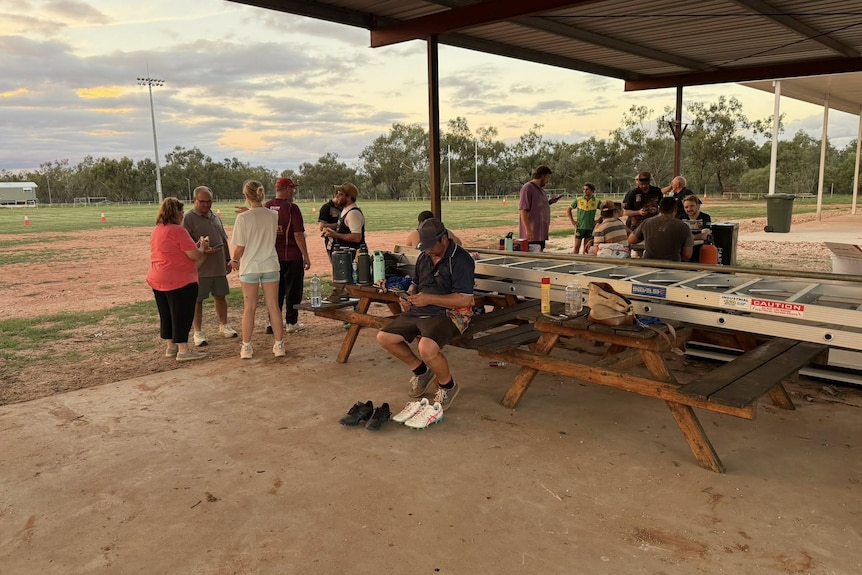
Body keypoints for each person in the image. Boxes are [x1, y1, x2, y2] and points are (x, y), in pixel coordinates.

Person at [376, 218, 475, 428]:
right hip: (423, 309)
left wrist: (429, 299)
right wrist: (408, 297)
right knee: (385, 337)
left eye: (431, 247)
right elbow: (416, 285)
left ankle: (447, 386)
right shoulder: (424, 257)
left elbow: (465, 299)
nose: (428, 252)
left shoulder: (461, 260)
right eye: (425, 248)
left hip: (452, 313)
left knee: (426, 347)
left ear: (444, 239)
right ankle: (421, 371)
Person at [146, 197, 209, 362]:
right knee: (182, 314)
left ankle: (171, 347)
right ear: (177, 213)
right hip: (179, 280)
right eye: (181, 211)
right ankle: (183, 350)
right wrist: (202, 247)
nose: (183, 215)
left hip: (158, 277)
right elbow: (194, 255)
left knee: (166, 314)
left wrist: (194, 246)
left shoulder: (157, 229)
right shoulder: (178, 231)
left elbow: (178, 250)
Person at [230, 180, 285, 359]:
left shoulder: (243, 218)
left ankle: (246, 346)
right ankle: (279, 344)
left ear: (246, 196)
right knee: (273, 306)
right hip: (270, 264)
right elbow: (262, 218)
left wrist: (234, 260)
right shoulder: (272, 215)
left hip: (251, 267)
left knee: (250, 307)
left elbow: (240, 247)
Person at [182, 186, 238, 347]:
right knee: (197, 300)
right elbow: (186, 245)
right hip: (200, 267)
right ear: (195, 200)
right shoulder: (188, 218)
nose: (207, 205)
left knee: (220, 296)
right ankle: (198, 332)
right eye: (203, 202)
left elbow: (223, 239)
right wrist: (202, 249)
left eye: (209, 201)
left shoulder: (214, 216)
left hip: (218, 265)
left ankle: (223, 325)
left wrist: (227, 259)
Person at [265, 177, 311, 334]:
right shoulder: (292, 208)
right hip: (292, 256)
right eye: (292, 189)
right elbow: (298, 234)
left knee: (275, 291)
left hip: (272, 255)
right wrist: (306, 255)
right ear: (286, 189)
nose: (293, 192)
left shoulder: (267, 206)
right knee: (293, 290)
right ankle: (291, 321)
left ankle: (273, 322)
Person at [627, 197, 693, 262]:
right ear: (675, 210)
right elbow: (687, 255)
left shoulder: (647, 223)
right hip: (673, 266)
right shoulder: (683, 227)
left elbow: (631, 239)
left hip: (650, 265)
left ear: (659, 209)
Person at [519, 165, 559, 252]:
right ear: (542, 176)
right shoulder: (528, 188)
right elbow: (523, 210)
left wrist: (550, 202)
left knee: (540, 256)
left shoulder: (541, 190)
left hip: (541, 232)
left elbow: (538, 207)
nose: (548, 181)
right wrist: (528, 229)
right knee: (533, 257)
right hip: (532, 234)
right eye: (547, 178)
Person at [322, 183, 365, 251]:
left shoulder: (353, 213)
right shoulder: (346, 210)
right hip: (346, 255)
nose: (337, 196)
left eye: (341, 194)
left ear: (349, 197)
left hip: (352, 256)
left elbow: (356, 237)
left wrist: (335, 235)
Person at [566, 183, 599, 254]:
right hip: (580, 227)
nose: (584, 191)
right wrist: (573, 221)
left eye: (587, 189)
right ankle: (574, 261)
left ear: (592, 191)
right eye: (584, 189)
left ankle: (584, 262)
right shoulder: (578, 200)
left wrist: (598, 221)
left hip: (590, 227)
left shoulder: (596, 201)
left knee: (586, 248)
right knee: (577, 246)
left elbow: (605, 209)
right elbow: (568, 209)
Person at [678, 195, 712, 262]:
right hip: (684, 249)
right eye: (686, 207)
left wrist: (689, 238)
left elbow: (705, 236)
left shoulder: (705, 217)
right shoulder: (681, 218)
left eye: (692, 206)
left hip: (700, 249)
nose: (689, 209)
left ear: (698, 206)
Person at [317, 196, 341, 260]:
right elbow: (321, 227)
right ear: (337, 196)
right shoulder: (326, 207)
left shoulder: (343, 206)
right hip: (332, 241)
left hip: (343, 239)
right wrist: (340, 225)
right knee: (335, 262)